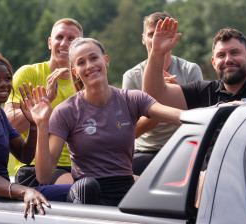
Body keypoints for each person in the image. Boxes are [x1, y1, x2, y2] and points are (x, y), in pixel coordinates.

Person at [21, 37, 183, 206]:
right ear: (75, 71)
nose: (89, 66)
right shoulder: (66, 111)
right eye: (81, 62)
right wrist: (40, 124)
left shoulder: (131, 99)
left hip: (124, 188)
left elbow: (178, 115)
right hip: (86, 191)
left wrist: (210, 116)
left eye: (93, 58)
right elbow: (44, 176)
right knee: (87, 187)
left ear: (106, 61)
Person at [0, 53, 72, 218]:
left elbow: (25, 155)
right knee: (81, 189)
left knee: (84, 187)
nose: (3, 84)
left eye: (7, 79)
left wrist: (33, 124)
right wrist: (25, 191)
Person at [122, 11, 203, 175]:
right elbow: (130, 132)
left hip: (184, 148)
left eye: (162, 34)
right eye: (152, 34)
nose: (156, 39)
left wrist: (174, 97)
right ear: (143, 38)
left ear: (173, 38)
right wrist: (157, 103)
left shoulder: (190, 70)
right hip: (146, 151)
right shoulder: (132, 76)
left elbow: (200, 123)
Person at [4, 18, 83, 187]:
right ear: (49, 42)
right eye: (59, 37)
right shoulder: (28, 74)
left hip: (80, 167)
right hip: (33, 168)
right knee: (83, 187)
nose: (64, 43)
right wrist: (43, 103)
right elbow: (9, 127)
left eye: (72, 39)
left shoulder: (84, 82)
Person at [142, 17, 246, 111]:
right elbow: (155, 95)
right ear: (214, 62)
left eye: (234, 53)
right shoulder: (204, 91)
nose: (228, 59)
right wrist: (157, 52)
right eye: (221, 55)